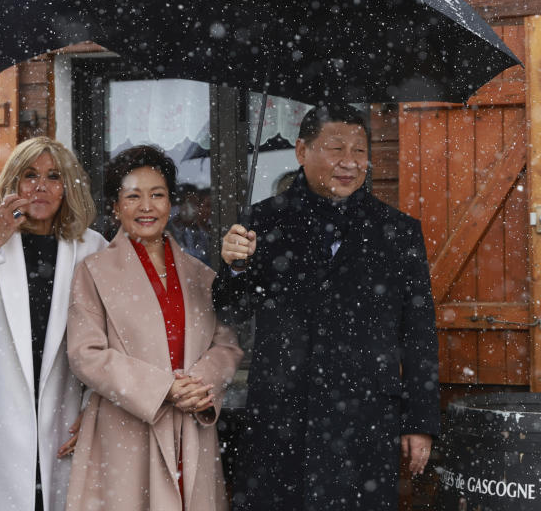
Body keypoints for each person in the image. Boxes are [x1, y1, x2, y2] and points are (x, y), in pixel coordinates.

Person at [215, 103, 439, 511]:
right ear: (302, 151)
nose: (350, 163)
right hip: (282, 416)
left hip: (366, 418)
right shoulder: (263, 223)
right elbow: (232, 309)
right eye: (336, 148)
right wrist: (232, 267)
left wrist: (420, 423)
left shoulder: (398, 232)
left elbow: (419, 334)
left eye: (359, 150)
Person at [65, 145, 243, 511]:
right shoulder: (93, 271)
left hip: (190, 427)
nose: (147, 207)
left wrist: (199, 386)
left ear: (171, 204)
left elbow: (226, 346)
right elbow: (86, 354)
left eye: (157, 195)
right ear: (116, 207)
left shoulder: (200, 273)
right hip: (126, 427)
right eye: (133, 196)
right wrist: (165, 389)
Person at [0, 137, 107, 511]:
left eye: (53, 176)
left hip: (63, 416)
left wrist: (94, 403)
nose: (40, 186)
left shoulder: (92, 247)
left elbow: (109, 338)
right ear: (13, 184)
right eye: (29, 175)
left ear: (68, 187)